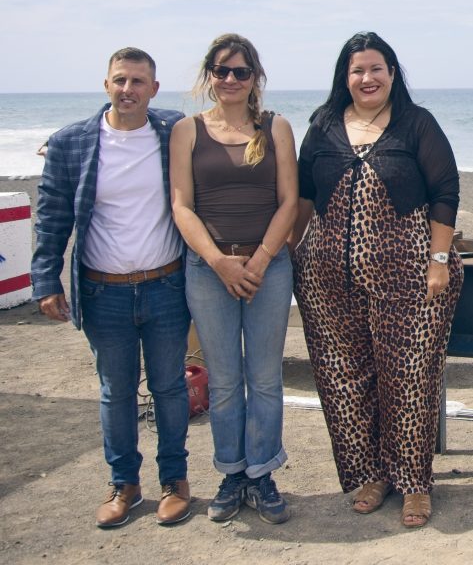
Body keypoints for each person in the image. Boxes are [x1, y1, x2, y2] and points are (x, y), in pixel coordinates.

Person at [291, 32, 463, 529]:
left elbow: (446, 191)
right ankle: (369, 474)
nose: (367, 79)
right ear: (344, 78)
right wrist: (290, 252)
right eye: (357, 70)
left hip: (411, 277)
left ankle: (413, 483)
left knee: (408, 378)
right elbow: (302, 195)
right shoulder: (323, 126)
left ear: (393, 73)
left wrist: (438, 259)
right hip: (327, 278)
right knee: (344, 379)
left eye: (377, 69)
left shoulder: (416, 124)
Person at [32, 47, 193, 527]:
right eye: (120, 80)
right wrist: (46, 280)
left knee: (169, 388)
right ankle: (124, 485)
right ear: (106, 85)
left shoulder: (174, 132)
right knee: (115, 391)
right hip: (104, 292)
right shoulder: (72, 142)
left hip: (166, 286)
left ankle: (175, 482)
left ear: (154, 89)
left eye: (138, 81)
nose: (129, 90)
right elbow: (52, 217)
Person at [169, 34, 298, 524]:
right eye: (221, 70)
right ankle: (232, 474)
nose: (230, 80)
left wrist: (262, 260)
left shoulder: (277, 127)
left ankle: (262, 474)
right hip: (208, 271)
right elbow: (181, 205)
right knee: (224, 382)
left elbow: (290, 200)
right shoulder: (186, 131)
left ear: (255, 78)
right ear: (209, 76)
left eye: (240, 72)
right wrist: (219, 262)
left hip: (269, 268)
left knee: (265, 379)